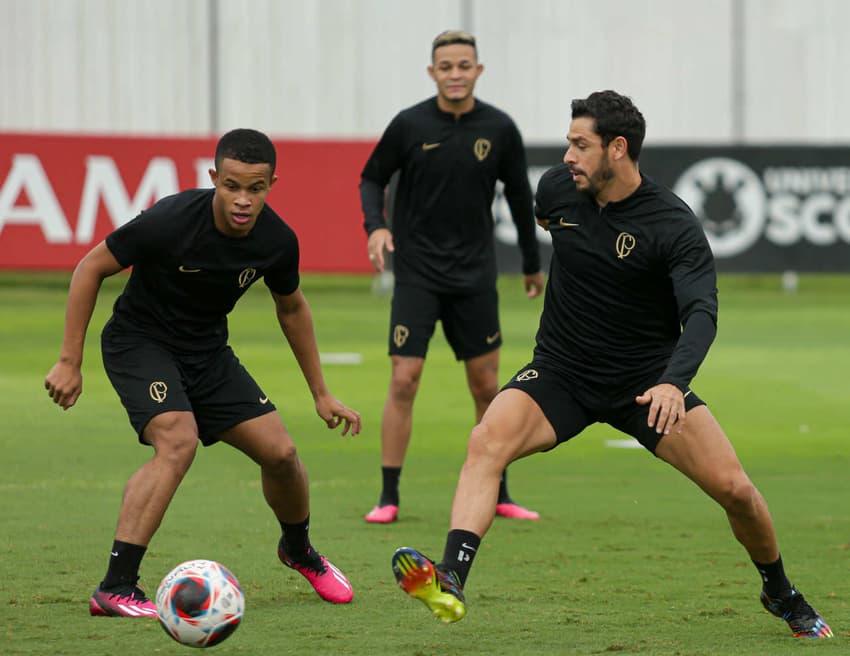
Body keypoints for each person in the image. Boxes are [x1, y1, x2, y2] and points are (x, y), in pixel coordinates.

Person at [390, 91, 833, 638]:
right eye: (567, 143)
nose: (567, 156)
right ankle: (451, 578)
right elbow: (550, 226)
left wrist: (674, 383)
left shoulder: (672, 223)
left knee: (736, 491)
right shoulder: (557, 191)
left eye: (580, 145)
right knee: (486, 443)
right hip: (561, 371)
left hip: (645, 384)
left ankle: (781, 591)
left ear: (617, 149)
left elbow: (701, 312)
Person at [44, 129, 361, 617]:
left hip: (208, 353)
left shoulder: (277, 241)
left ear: (271, 184)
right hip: (139, 342)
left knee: (282, 454)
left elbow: (292, 308)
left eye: (255, 189)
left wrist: (321, 393)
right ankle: (116, 586)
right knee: (178, 439)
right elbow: (90, 268)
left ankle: (298, 551)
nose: (242, 200)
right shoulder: (171, 220)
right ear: (214, 178)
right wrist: (70, 360)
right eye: (232, 186)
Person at [359, 29, 546, 525]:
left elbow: (519, 198)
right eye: (447, 66)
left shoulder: (500, 128)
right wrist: (376, 227)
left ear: (478, 70)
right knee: (404, 379)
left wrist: (531, 263)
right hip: (418, 274)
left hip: (474, 276)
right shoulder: (409, 124)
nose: (456, 74)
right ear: (433, 72)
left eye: (465, 65)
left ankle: (500, 491)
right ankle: (388, 495)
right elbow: (371, 176)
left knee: (488, 386)